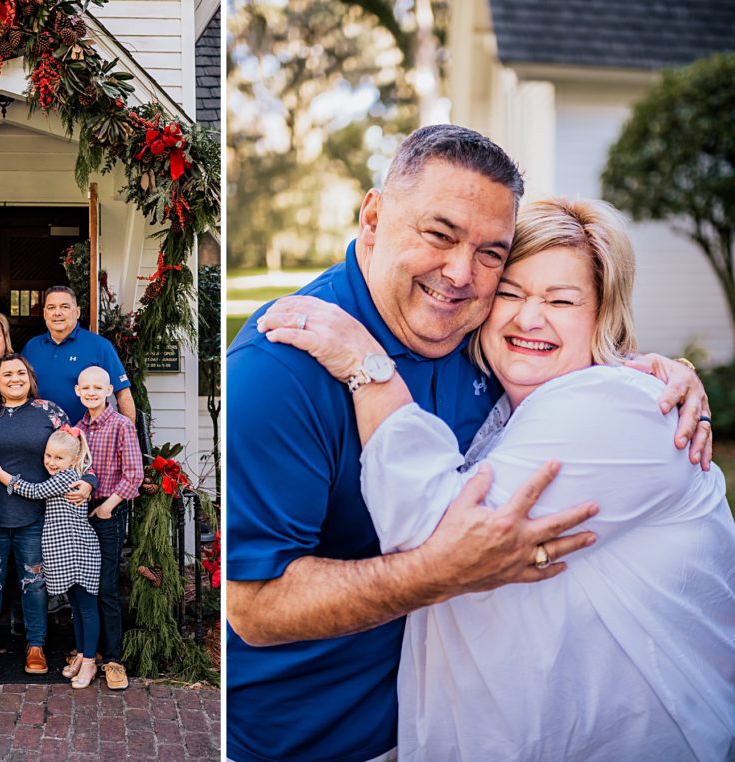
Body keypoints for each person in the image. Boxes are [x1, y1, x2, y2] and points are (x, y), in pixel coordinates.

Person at [225, 125, 712, 762]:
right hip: (316, 742)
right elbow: (253, 608)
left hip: (452, 730)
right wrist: (434, 574)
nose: (461, 274)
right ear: (374, 217)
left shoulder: (480, 340)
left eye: (491, 255)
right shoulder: (280, 369)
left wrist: (642, 368)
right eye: (440, 234)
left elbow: (559, 361)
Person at [0, 353, 95, 675]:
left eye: (21, 373)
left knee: (34, 583)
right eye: (7, 373)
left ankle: (36, 644)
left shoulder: (48, 412)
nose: (15, 378)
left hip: (36, 515)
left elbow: (78, 452)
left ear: (30, 377)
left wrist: (89, 481)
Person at [0, 427, 102, 689]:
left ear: (73, 460)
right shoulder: (70, 473)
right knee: (76, 607)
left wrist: (2, 476)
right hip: (66, 550)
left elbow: (33, 490)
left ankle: (89, 662)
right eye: (48, 456)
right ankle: (81, 655)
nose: (51, 462)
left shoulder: (66, 478)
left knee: (86, 608)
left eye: (59, 458)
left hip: (78, 550)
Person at [75, 365, 143, 690]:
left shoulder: (121, 426)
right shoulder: (76, 429)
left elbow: (134, 475)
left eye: (97, 388)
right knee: (84, 585)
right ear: (77, 391)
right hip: (80, 513)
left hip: (107, 512)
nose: (90, 392)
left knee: (106, 586)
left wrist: (108, 506)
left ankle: (114, 659)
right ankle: (90, 651)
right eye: (85, 387)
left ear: (108, 392)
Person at [22, 285, 136, 424]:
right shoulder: (32, 347)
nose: (57, 313)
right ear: (45, 313)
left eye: (64, 307)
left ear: (77, 312)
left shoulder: (99, 346)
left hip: (87, 436)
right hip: (39, 434)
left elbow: (123, 393)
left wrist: (130, 435)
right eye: (51, 308)